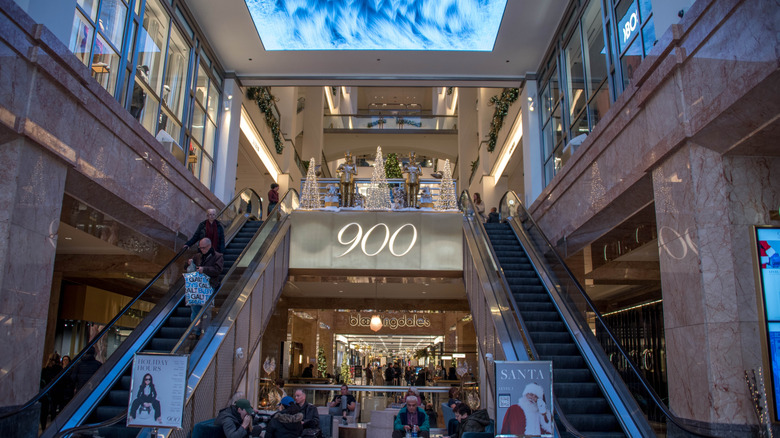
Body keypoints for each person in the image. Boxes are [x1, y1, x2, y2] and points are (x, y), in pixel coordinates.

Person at [187, 237, 224, 335]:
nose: (202, 250)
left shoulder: (217, 256)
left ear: (209, 246)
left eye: (204, 248)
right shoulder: (197, 256)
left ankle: (205, 332)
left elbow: (218, 270)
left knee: (206, 311)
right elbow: (187, 268)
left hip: (208, 287)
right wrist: (189, 263)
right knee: (195, 309)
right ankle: (195, 331)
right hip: (197, 286)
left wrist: (205, 269)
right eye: (200, 248)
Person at [40, 352, 61, 428]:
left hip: (45, 393)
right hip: (55, 393)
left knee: (44, 413)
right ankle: (52, 428)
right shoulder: (59, 369)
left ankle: (43, 427)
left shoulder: (44, 370)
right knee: (53, 411)